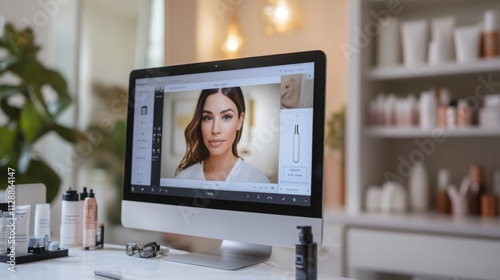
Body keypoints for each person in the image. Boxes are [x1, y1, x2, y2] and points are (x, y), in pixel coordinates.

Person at [175, 87, 269, 183]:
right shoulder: (183, 179)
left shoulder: (257, 180)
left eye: (226, 117)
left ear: (240, 121)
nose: (215, 130)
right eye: (208, 118)